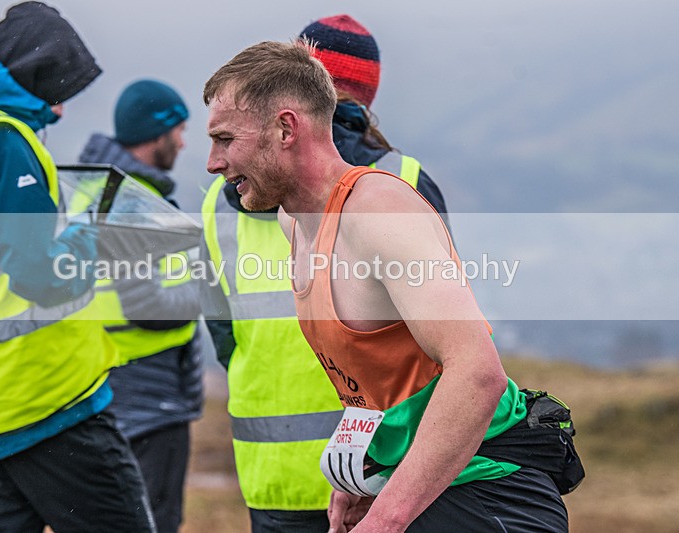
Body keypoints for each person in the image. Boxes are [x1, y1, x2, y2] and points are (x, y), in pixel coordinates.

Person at [202, 41, 569, 532]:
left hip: (488, 492)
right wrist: (358, 480)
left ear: (286, 128)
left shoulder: (377, 212)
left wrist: (386, 518)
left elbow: (479, 374)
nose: (212, 162)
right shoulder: (295, 221)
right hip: (418, 487)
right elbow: (377, 380)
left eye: (225, 139)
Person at [199, 14, 452, 532]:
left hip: (272, 467)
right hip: (388, 466)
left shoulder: (217, 204)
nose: (214, 161)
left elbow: (220, 330)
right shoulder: (402, 180)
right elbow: (440, 343)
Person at [0, 2, 154, 531]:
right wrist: (89, 239)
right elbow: (38, 275)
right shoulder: (2, 140)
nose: (61, 110)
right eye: (58, 92)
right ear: (37, 73)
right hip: (49, 397)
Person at [79, 79, 204, 533]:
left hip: (110, 387)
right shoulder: (131, 200)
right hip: (149, 402)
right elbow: (147, 305)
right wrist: (208, 289)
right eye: (180, 130)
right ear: (158, 134)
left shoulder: (98, 187)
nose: (184, 142)